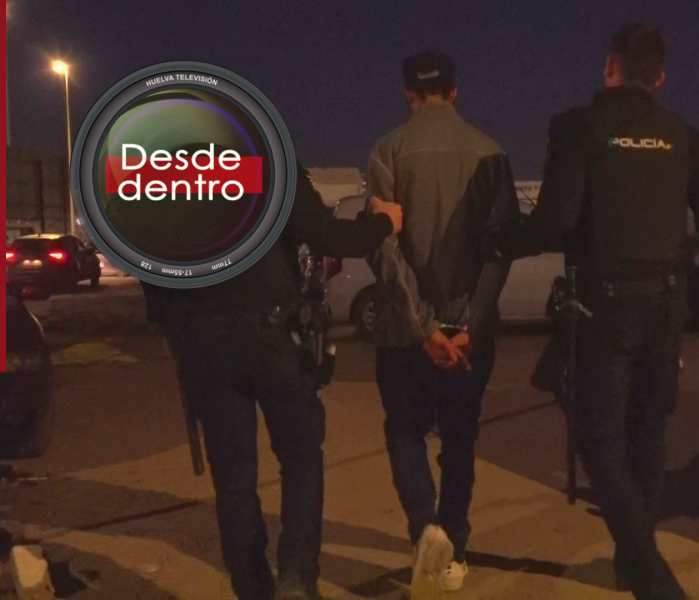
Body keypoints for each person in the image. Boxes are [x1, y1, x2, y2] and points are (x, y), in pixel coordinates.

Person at [492, 24, 699, 600]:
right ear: (660, 77)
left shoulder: (579, 127)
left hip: (606, 306)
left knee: (599, 442)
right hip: (668, 304)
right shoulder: (683, 137)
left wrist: (501, 240)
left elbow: (557, 221)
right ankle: (634, 562)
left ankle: (650, 574)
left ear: (609, 67)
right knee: (647, 432)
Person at [141, 164, 402, 600]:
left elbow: (147, 262)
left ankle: (252, 586)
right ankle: (296, 580)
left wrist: (171, 323)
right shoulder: (268, 162)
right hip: (272, 329)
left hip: (201, 336)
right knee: (301, 458)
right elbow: (329, 238)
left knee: (232, 474)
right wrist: (383, 222)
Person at [366, 51, 519, 595]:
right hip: (468, 331)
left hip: (405, 333)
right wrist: (471, 322)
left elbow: (384, 249)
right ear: (455, 91)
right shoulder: (491, 152)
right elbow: (501, 248)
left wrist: (422, 327)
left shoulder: (387, 152)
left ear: (409, 94)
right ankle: (454, 549)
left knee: (404, 429)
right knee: (459, 438)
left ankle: (425, 530)